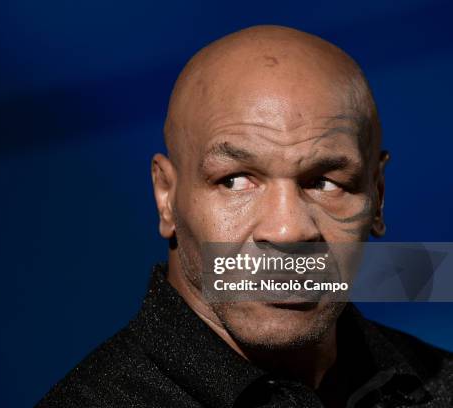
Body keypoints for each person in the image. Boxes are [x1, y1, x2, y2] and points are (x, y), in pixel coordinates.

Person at [37, 25, 453, 407]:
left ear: (377, 197)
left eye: (325, 182)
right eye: (235, 180)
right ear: (166, 196)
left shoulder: (439, 382)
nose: (288, 230)